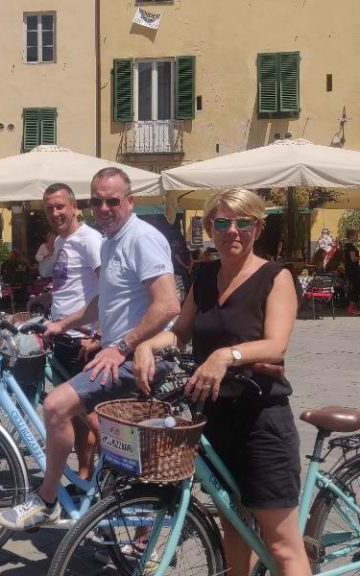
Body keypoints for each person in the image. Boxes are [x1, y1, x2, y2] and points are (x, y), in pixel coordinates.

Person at [133, 188, 310, 576]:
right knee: (234, 525)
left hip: (260, 421)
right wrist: (146, 345)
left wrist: (226, 355)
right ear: (210, 227)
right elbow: (180, 332)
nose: (233, 230)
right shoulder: (205, 275)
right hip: (215, 418)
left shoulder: (275, 277)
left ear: (257, 228)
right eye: (223, 222)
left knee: (282, 544)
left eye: (243, 221)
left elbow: (276, 344)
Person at [0, 167, 180, 530]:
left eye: (112, 201)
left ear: (130, 202)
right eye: (97, 201)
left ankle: (47, 500)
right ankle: (133, 533)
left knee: (56, 405)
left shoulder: (142, 238)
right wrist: (62, 324)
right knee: (126, 447)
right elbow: (103, 301)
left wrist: (121, 347)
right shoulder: (111, 241)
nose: (104, 208)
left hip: (140, 357)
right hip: (118, 352)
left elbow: (168, 305)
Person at [30, 183, 102, 481]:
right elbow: (69, 283)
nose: (55, 213)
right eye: (49, 208)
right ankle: (85, 475)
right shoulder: (61, 241)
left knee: (94, 417)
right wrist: (46, 297)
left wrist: (99, 335)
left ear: (74, 207)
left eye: (60, 206)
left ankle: (124, 471)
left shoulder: (90, 239)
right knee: (78, 415)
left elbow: (109, 289)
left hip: (84, 340)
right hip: (64, 338)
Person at [344, 229, 360, 315]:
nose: (357, 236)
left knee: (355, 287)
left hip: (350, 269)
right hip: (353, 270)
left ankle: (353, 307)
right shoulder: (350, 246)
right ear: (351, 236)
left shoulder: (346, 246)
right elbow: (353, 259)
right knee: (356, 287)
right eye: (356, 235)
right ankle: (351, 308)